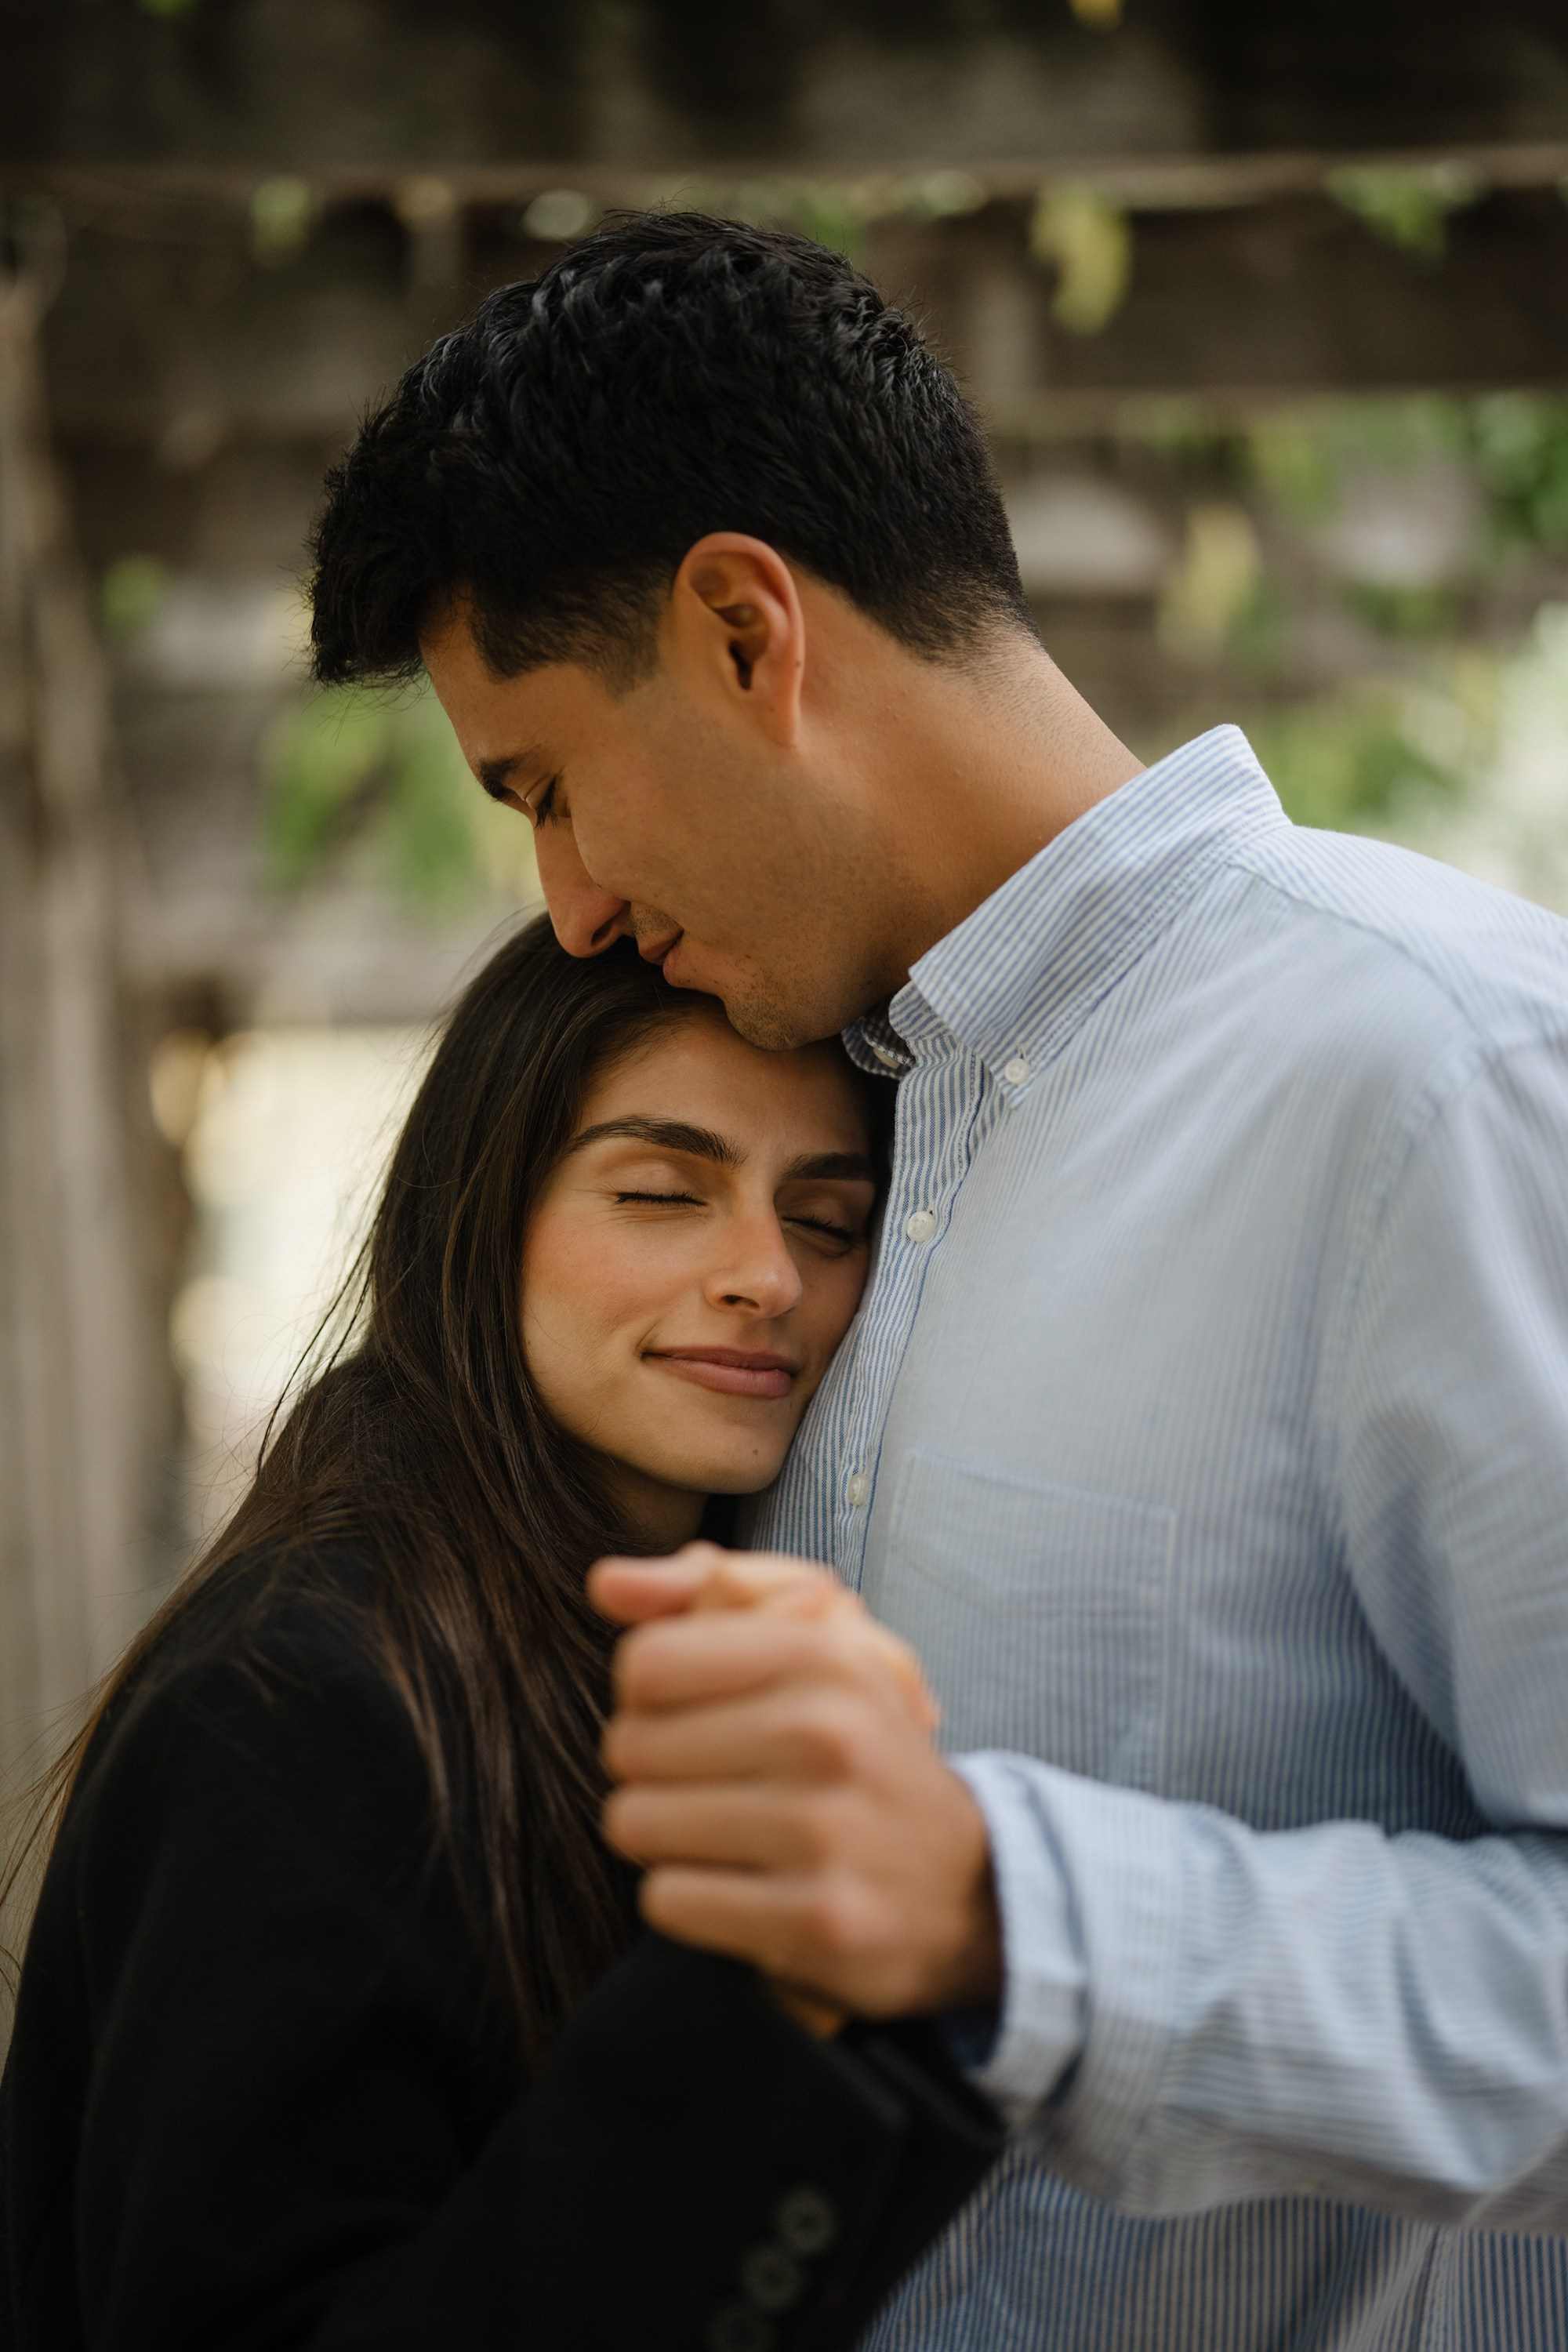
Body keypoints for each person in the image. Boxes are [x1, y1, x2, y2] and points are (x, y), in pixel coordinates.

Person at [306, 212, 1568, 2349]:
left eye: (549, 787)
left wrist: (1008, 1910)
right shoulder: (840, 1144)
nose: (573, 908)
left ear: (740, 632)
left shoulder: (1440, 1075)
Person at [0, 916, 1004, 2352]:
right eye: (663, 1192)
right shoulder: (302, 1699)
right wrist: (760, 2003)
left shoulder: (655, 1644)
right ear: (474, 1208)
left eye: (828, 1220)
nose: (766, 1276)